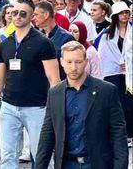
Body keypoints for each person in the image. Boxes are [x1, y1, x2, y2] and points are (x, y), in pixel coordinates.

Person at [0, 0, 60, 169]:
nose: (17, 16)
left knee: (40, 156)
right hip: (9, 107)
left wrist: (55, 110)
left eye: (22, 13)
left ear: (31, 15)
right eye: (14, 13)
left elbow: (54, 79)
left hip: (37, 108)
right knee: (7, 157)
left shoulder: (43, 43)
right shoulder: (6, 43)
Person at [34, 41, 129, 169]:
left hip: (97, 163)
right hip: (66, 164)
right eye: (69, 62)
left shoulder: (106, 91)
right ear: (61, 62)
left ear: (86, 61)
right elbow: (47, 135)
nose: (73, 67)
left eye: (78, 62)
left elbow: (118, 133)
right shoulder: (55, 93)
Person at [97, 1, 133, 141]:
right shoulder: (107, 34)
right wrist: (119, 63)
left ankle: (131, 132)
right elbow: (103, 54)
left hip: (130, 73)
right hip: (114, 73)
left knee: (130, 103)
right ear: (115, 16)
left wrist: (129, 63)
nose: (124, 15)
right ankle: (121, 133)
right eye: (121, 13)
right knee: (119, 103)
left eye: (126, 12)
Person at [34, 1, 75, 80]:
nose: (34, 18)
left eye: (36, 15)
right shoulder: (37, 37)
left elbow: (72, 65)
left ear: (46, 15)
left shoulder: (67, 38)